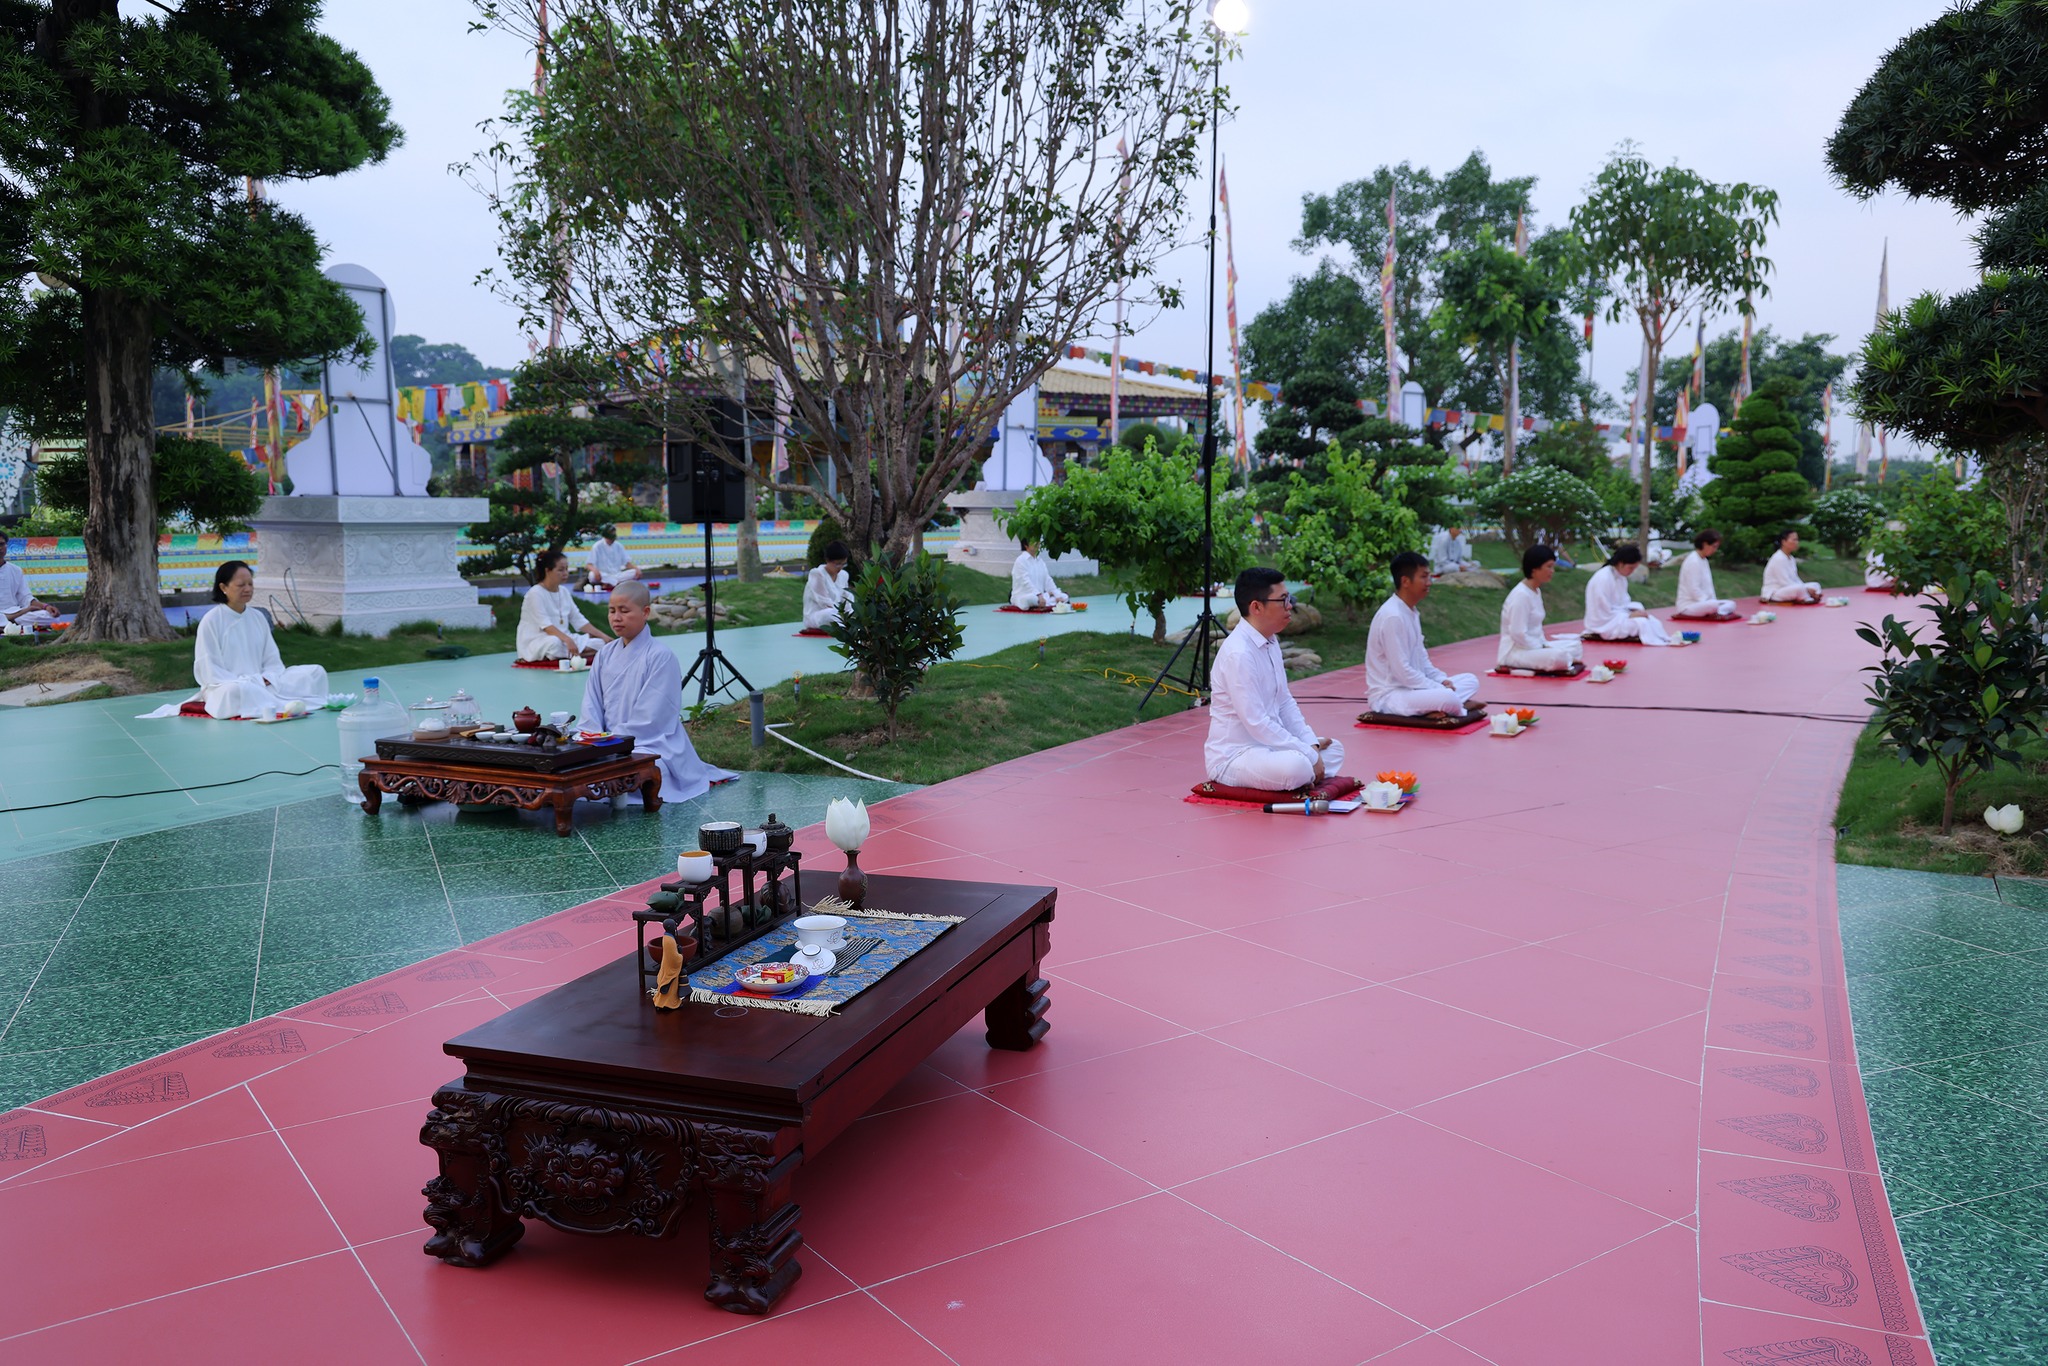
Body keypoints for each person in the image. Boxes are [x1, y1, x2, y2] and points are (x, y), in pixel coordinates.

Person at [582, 582, 735, 801]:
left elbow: (653, 719)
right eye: (612, 611)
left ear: (645, 612)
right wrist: (594, 739)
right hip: (605, 743)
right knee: (577, 765)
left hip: (648, 743)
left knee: (643, 771)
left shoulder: (660, 656)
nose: (616, 618)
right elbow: (591, 704)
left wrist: (615, 743)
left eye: (624, 611)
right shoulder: (604, 654)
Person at [1205, 567, 1345, 789]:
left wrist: (1309, 744)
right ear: (1256, 607)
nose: (1290, 606)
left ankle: (1303, 764)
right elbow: (1257, 722)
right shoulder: (1239, 653)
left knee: (1335, 749)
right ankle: (1302, 769)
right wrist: (1307, 753)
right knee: (1297, 766)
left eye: (1289, 598)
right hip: (1236, 756)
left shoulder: (1270, 640)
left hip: (1270, 748)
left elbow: (1285, 701)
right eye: (1283, 600)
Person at [192, 560, 329, 718]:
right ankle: (271, 701)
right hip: (229, 686)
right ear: (223, 587)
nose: (248, 589)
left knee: (315, 672)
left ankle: (267, 699)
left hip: (262, 683)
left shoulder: (258, 617)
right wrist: (248, 682)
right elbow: (209, 669)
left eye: (250, 584)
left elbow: (272, 660)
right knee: (234, 692)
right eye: (241, 585)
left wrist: (267, 677)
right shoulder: (211, 620)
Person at [1366, 551, 1482, 716]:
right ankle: (1456, 707)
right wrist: (1439, 688)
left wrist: (1442, 680)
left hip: (1415, 689)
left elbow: (1422, 659)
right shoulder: (1393, 616)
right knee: (1447, 697)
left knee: (1470, 680)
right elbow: (1402, 672)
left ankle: (1443, 706)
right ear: (1405, 581)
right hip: (1391, 695)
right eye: (1424, 577)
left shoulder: (1411, 611)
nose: (1429, 582)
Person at [1497, 544, 1583, 673]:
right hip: (1516, 651)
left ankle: (1566, 659)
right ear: (1534, 569)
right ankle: (1565, 659)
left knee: (1575, 646)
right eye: (1549, 567)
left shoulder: (1536, 591)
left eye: (1553, 566)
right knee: (1557, 656)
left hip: (1535, 647)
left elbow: (1536, 629)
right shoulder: (1521, 595)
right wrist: (1542, 647)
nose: (1552, 571)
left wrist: (1544, 645)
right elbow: (1518, 633)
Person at [519, 549, 610, 661]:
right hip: (540, 640)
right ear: (548, 571)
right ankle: (578, 653)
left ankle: (572, 654)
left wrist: (604, 636)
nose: (565, 573)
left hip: (564, 638)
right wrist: (568, 640)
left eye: (566, 569)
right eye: (561, 570)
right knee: (554, 643)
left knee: (600, 643)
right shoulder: (535, 593)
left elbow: (578, 620)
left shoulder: (563, 591)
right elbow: (547, 627)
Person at [1582, 544, 1675, 644]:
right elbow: (1602, 613)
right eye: (1630, 568)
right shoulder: (1603, 578)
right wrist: (1629, 615)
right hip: (1604, 623)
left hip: (1617, 618)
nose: (1632, 571)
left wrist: (1635, 611)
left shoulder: (1621, 578)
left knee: (1653, 621)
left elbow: (1623, 603)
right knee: (1641, 624)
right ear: (1621, 564)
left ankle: (1666, 640)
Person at [1673, 529, 1738, 619]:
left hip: (1704, 603)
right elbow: (1694, 590)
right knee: (1713, 605)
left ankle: (1717, 610)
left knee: (1731, 604)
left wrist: (1714, 601)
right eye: (1714, 547)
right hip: (1688, 606)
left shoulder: (1704, 560)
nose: (1715, 550)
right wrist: (1709, 602)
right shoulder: (1693, 561)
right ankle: (1717, 611)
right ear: (1704, 544)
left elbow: (1709, 587)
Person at [0, 540, 57, 626]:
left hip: (14, 612)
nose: (0, 548)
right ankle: (9, 623)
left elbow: (25, 597)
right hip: (17, 614)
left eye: (1, 544)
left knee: (49, 616)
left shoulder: (16, 570)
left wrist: (45, 607)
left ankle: (8, 623)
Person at [1762, 529, 1824, 602]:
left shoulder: (1791, 558)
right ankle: (1807, 597)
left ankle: (1807, 596)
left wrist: (1806, 588)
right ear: (1784, 542)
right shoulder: (1778, 558)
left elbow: (1795, 579)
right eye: (1794, 540)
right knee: (1798, 588)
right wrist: (1806, 590)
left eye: (1797, 540)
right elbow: (1784, 582)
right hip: (1775, 592)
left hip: (1789, 588)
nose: (1797, 542)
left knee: (1815, 585)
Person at [803, 541, 851, 631]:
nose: (840, 567)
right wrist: (841, 616)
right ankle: (844, 624)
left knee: (852, 606)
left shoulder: (844, 575)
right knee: (830, 614)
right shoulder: (817, 574)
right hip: (819, 615)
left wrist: (850, 613)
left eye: (843, 564)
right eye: (838, 564)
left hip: (838, 615)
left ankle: (845, 624)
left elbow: (847, 598)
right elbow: (824, 602)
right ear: (828, 560)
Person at [1009, 540, 1071, 610]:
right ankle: (1045, 600)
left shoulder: (1040, 561)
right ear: (1026, 545)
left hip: (1041, 597)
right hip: (1024, 596)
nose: (1037, 543)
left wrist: (1057, 595)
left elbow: (1048, 580)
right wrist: (1039, 595)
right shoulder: (1021, 560)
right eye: (1033, 541)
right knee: (1032, 599)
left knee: (1064, 597)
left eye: (1038, 541)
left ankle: (1045, 601)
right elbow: (1025, 582)